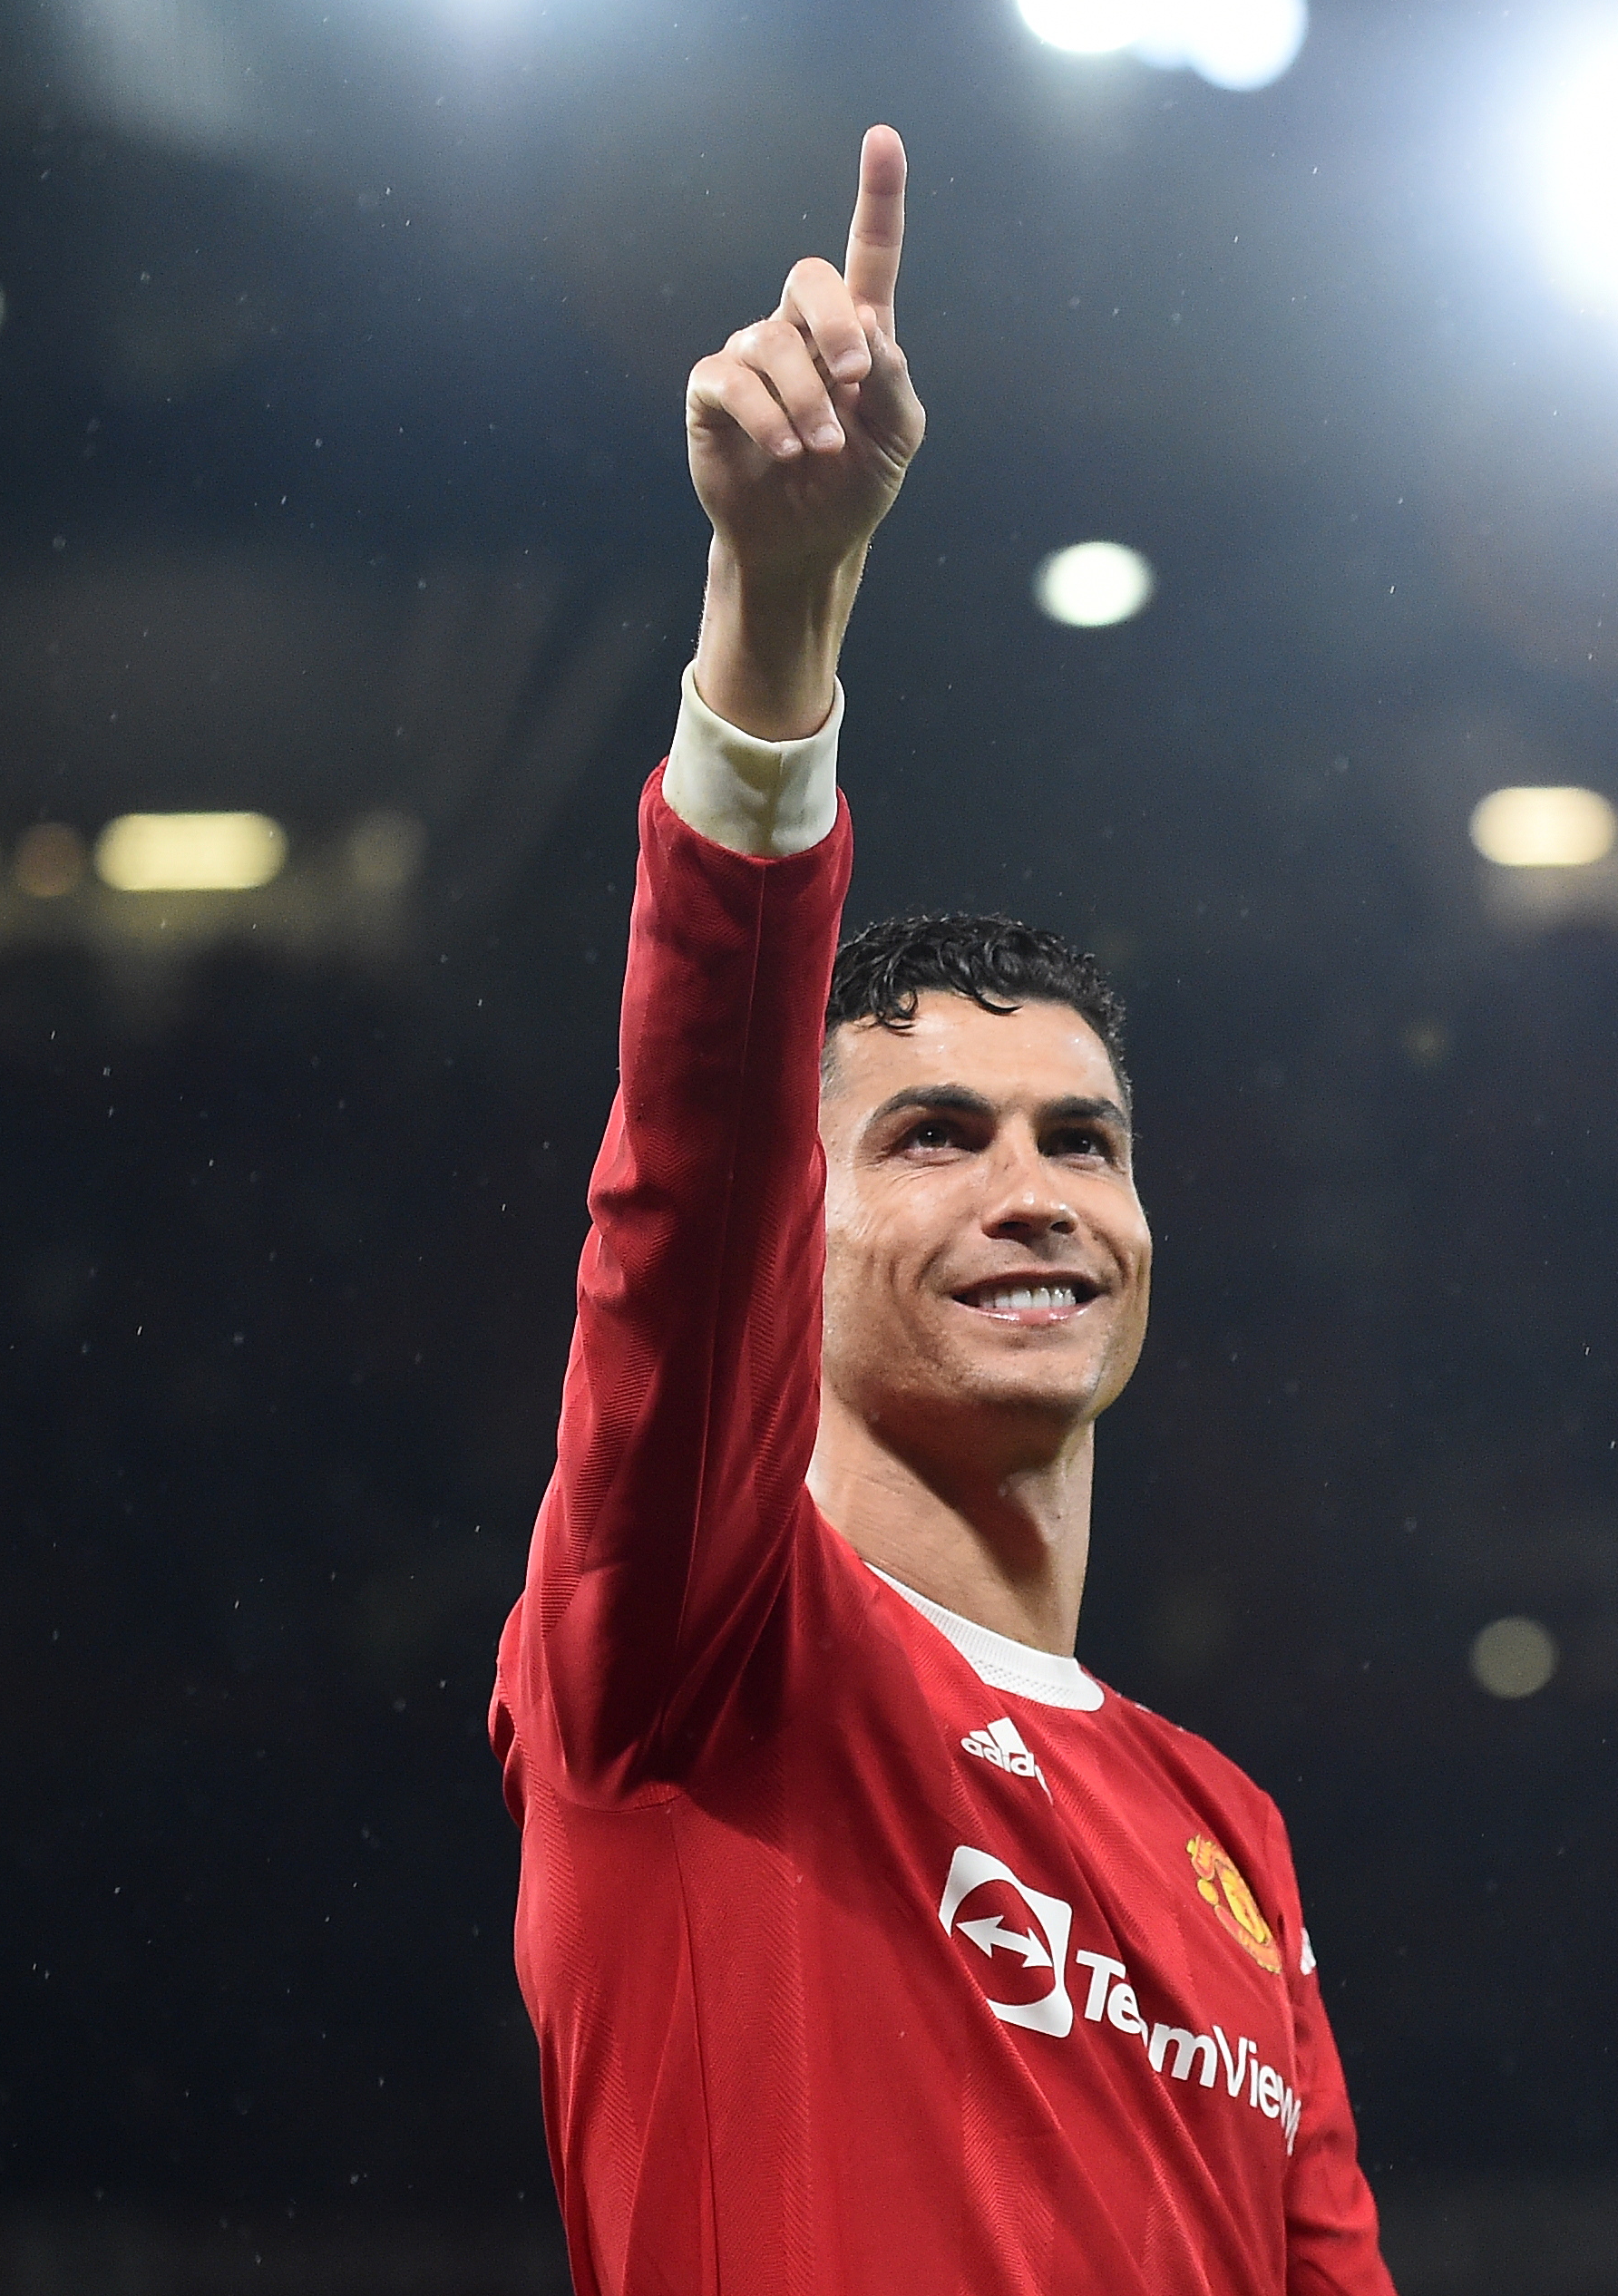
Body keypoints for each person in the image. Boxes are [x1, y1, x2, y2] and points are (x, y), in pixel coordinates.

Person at [488, 124, 1398, 2296]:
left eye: (1081, 1140)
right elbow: (689, 1161)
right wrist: (776, 613)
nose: (1032, 1193)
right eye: (932, 1136)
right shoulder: (692, 1648)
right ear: (793, 1234)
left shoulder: (1228, 1838)